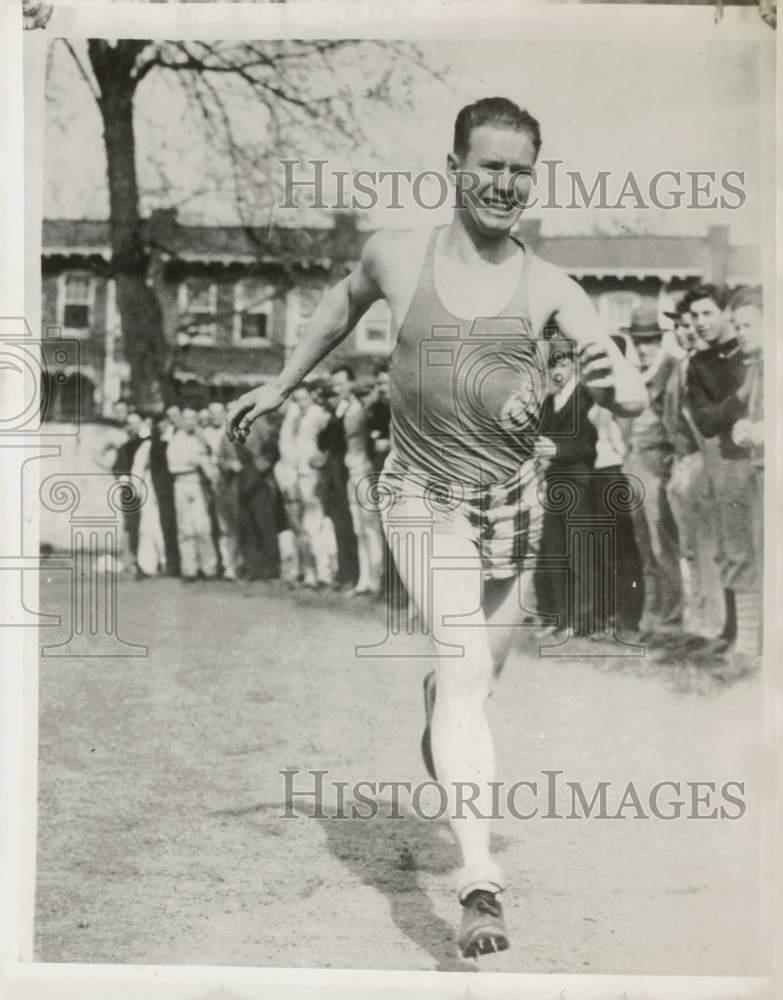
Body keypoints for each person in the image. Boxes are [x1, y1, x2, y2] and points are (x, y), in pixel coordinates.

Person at [228, 96, 646, 958]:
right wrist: (281, 383)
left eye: (519, 171)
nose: (503, 184)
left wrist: (623, 385)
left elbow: (620, 383)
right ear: (453, 168)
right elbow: (339, 307)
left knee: (471, 688)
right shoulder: (394, 253)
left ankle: (447, 720)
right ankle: (479, 884)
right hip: (418, 493)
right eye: (487, 166)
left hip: (512, 501)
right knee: (460, 669)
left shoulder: (552, 287)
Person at [685, 283, 755, 663]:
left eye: (707, 313)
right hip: (726, 464)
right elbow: (706, 421)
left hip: (758, 459)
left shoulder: (752, 351)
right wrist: (739, 399)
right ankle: (735, 632)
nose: (699, 323)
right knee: (732, 550)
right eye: (694, 317)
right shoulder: (699, 365)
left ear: (726, 313)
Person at [659, 295, 723, 647]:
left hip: (702, 461)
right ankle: (695, 620)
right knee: (688, 548)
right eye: (680, 326)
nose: (685, 332)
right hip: (682, 464)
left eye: (689, 325)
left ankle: (712, 623)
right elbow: (673, 421)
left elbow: (702, 424)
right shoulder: (682, 367)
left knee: (706, 546)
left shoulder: (706, 367)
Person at [622, 306, 683, 638]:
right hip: (633, 464)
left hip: (658, 464)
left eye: (650, 341)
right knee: (644, 544)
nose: (644, 347)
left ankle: (672, 616)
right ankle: (652, 613)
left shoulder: (671, 371)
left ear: (660, 340)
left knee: (663, 544)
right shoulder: (634, 373)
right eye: (638, 341)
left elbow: (674, 424)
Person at [534, 342, 598, 638]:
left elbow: (589, 446)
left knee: (579, 551)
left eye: (562, 364)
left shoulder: (586, 397)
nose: (556, 371)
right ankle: (560, 618)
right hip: (552, 481)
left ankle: (581, 620)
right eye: (552, 365)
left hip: (578, 481)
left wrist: (556, 449)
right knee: (554, 551)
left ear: (574, 364)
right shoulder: (549, 402)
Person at [725, 286, 764, 666]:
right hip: (759, 470)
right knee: (755, 552)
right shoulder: (756, 369)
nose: (742, 332)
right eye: (737, 325)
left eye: (750, 325)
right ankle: (752, 645)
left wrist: (763, 431)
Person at [331, 363, 384, 597]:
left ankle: (376, 578)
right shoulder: (343, 407)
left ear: (351, 383)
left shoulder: (362, 406)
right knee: (359, 526)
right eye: (335, 384)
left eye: (341, 383)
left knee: (371, 526)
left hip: (365, 468)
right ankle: (364, 578)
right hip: (351, 469)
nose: (336, 388)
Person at [166, 406, 218, 582]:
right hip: (181, 483)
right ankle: (189, 569)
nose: (190, 422)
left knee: (203, 527)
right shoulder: (176, 439)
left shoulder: (200, 438)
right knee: (185, 529)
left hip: (198, 484)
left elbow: (207, 461)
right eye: (187, 418)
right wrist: (192, 462)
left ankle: (209, 567)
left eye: (193, 418)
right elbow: (173, 465)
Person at [203, 401, 240, 580]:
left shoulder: (232, 431)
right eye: (212, 413)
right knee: (218, 527)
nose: (215, 416)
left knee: (233, 525)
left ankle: (235, 563)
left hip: (231, 482)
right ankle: (223, 564)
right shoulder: (205, 434)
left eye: (219, 413)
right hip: (211, 484)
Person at [112, 411, 144, 579]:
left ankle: (141, 560)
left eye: (137, 422)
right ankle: (129, 559)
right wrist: (124, 481)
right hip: (129, 489)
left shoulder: (144, 444)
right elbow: (117, 468)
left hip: (144, 487)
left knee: (142, 525)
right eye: (131, 423)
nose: (134, 426)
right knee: (130, 524)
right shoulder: (124, 446)